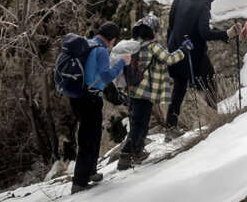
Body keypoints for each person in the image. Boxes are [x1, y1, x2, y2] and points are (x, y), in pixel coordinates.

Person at [165, 0, 241, 135]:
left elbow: (171, 24)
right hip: (193, 54)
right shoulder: (202, 6)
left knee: (179, 88)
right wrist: (228, 33)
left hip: (175, 50)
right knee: (210, 83)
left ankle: (170, 128)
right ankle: (215, 119)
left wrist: (171, 46)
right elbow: (205, 33)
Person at [117, 14, 192, 170]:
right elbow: (169, 59)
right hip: (146, 91)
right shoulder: (153, 46)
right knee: (140, 124)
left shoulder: (133, 46)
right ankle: (125, 155)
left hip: (133, 90)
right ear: (152, 31)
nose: (157, 33)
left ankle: (137, 152)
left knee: (140, 123)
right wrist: (184, 49)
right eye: (156, 30)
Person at [70, 21, 131, 195]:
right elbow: (107, 77)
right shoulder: (101, 50)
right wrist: (122, 62)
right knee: (88, 139)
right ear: (111, 40)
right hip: (90, 99)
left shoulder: (88, 43)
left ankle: (91, 172)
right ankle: (79, 183)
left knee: (94, 135)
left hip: (77, 96)